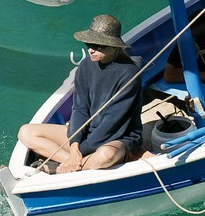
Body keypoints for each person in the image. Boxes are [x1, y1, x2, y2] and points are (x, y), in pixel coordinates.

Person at [18, 14, 144, 173]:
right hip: (87, 133)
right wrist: (74, 146)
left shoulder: (128, 73)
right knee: (26, 132)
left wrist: (80, 150)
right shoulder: (85, 66)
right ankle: (74, 164)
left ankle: (60, 167)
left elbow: (112, 124)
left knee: (105, 156)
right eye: (89, 43)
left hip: (118, 136)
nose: (91, 49)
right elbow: (80, 109)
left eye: (98, 46)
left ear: (114, 46)